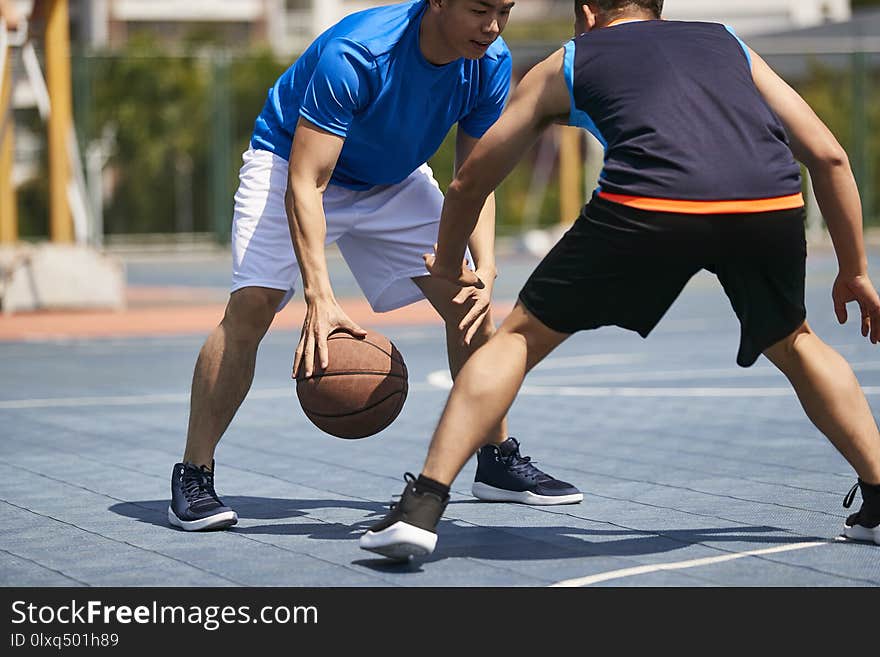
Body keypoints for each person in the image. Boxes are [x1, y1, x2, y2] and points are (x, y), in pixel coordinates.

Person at [360, 0, 880, 560]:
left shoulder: (572, 59)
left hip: (650, 200)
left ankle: (421, 507)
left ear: (586, 11)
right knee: (796, 340)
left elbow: (469, 183)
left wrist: (445, 265)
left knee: (516, 338)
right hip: (768, 199)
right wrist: (855, 271)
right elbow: (828, 156)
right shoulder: (725, 40)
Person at [168, 0, 583, 532]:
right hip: (291, 163)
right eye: (481, 10)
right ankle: (194, 472)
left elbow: (476, 176)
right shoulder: (359, 52)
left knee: (469, 301)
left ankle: (496, 459)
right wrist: (320, 295)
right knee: (252, 305)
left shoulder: (490, 61)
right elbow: (307, 181)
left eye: (504, 11)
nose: (494, 26)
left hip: (394, 179)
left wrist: (485, 265)